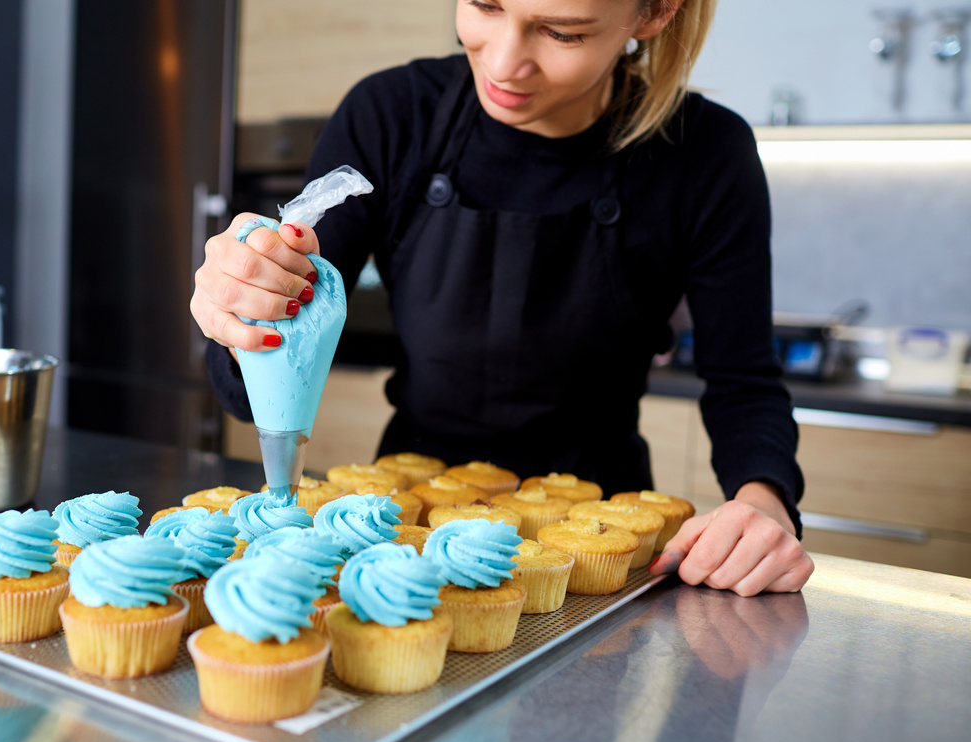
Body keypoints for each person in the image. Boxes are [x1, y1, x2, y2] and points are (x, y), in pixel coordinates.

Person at [191, 0, 815, 596]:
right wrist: (244, 307)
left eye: (563, 32)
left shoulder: (706, 152)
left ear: (652, 14)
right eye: (485, 6)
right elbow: (254, 378)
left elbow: (744, 382)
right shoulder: (392, 115)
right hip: (397, 536)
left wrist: (765, 501)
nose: (503, 62)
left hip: (598, 546)